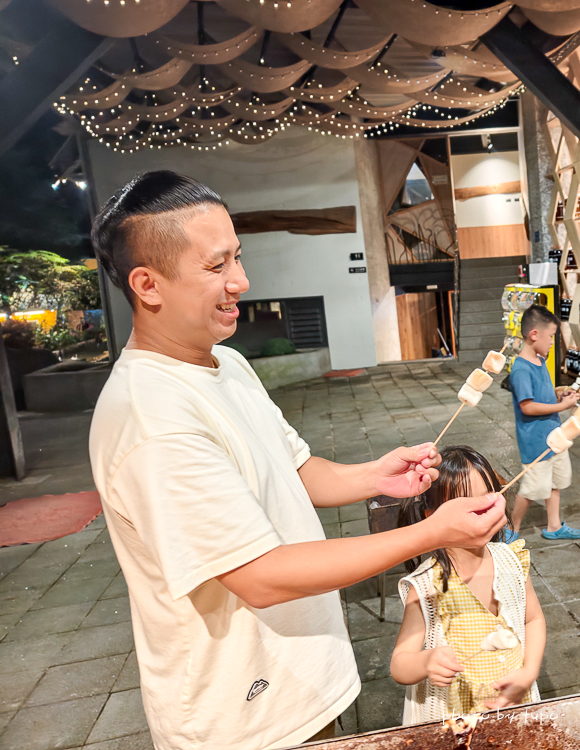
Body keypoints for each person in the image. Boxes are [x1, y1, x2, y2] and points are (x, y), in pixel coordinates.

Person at [88, 171, 507, 750]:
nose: (241, 280)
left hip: (300, 679)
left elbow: (295, 469)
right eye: (216, 267)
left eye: (238, 257)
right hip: (243, 717)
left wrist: (371, 477)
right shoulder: (151, 417)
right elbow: (259, 577)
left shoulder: (226, 364)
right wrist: (431, 532)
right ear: (148, 284)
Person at [390, 446, 545, 723]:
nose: (482, 511)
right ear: (431, 517)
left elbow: (532, 619)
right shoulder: (427, 588)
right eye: (465, 505)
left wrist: (530, 670)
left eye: (488, 498)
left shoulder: (512, 560)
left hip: (514, 708)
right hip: (456, 720)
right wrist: (425, 662)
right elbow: (400, 664)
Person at [507, 305, 580, 541]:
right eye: (551, 336)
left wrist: (559, 396)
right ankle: (511, 529)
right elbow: (527, 406)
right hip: (535, 441)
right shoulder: (520, 369)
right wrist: (563, 407)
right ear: (534, 335)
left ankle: (553, 525)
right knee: (531, 489)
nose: (552, 342)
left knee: (554, 483)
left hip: (554, 435)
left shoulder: (540, 361)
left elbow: (541, 396)